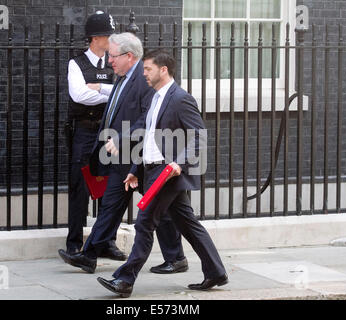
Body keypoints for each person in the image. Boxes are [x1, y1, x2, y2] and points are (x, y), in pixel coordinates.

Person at [97, 49, 228, 298]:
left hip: (168, 173)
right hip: (153, 168)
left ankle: (125, 279)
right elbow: (149, 140)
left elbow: (198, 135)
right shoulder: (156, 98)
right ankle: (216, 271)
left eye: (148, 69)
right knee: (187, 224)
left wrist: (179, 164)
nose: (144, 73)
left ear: (163, 70)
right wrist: (136, 169)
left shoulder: (180, 98)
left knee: (145, 222)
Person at [59, 33, 187, 274]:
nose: (109, 61)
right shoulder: (123, 76)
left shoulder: (144, 78)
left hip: (139, 155)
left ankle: (176, 257)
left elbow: (147, 117)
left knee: (165, 208)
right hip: (120, 154)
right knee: (111, 203)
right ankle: (89, 255)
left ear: (129, 56)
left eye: (113, 56)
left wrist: (123, 138)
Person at [58, 11, 125, 260]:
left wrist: (101, 89)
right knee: (80, 187)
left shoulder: (115, 62)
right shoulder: (76, 64)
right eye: (109, 35)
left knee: (112, 188)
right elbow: (79, 96)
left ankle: (107, 241)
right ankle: (74, 243)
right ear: (96, 38)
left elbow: (123, 92)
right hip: (85, 131)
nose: (112, 40)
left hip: (109, 132)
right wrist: (111, 95)